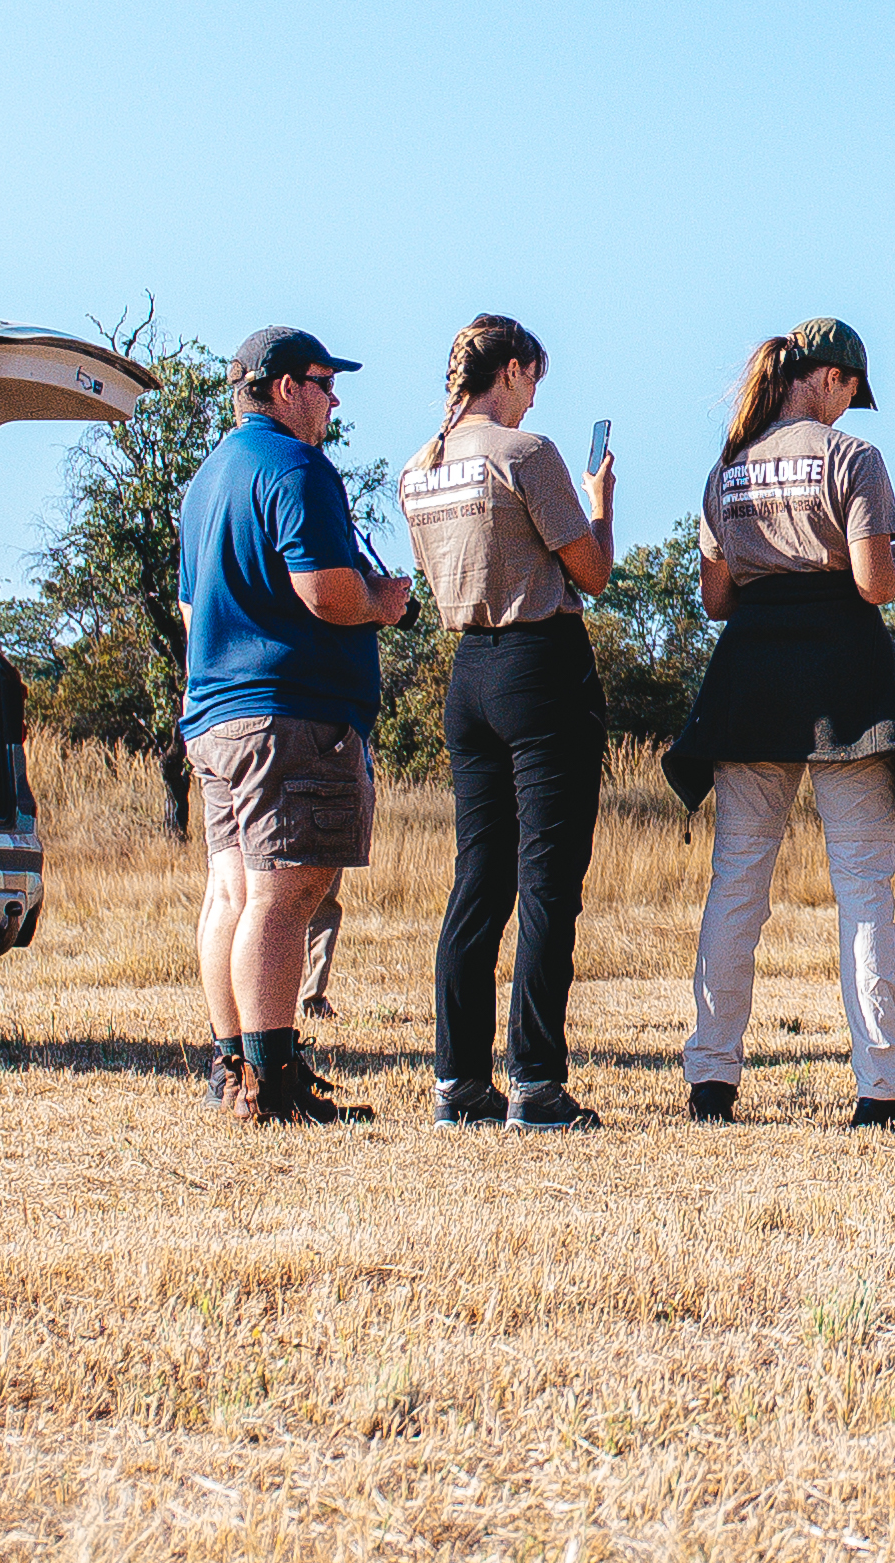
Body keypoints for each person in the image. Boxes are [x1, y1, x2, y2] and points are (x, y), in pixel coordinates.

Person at [668, 319, 895, 1130]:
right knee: (863, 890)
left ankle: (710, 1078)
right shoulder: (851, 460)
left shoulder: (726, 469)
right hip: (844, 682)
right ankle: (884, 1087)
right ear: (827, 377)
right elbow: (875, 584)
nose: (852, 407)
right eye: (852, 390)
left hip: (749, 685)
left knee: (736, 885)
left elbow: (716, 602)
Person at [174, 325, 407, 1124]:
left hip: (214, 714)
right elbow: (326, 592)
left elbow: (188, 606)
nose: (333, 397)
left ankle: (230, 1064)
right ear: (283, 387)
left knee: (233, 891)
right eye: (322, 380)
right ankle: (274, 1079)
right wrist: (384, 601)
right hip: (290, 715)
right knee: (290, 891)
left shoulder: (208, 479)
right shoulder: (298, 468)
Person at [401, 313, 616, 1132]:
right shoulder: (528, 456)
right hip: (540, 664)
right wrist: (600, 507)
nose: (534, 400)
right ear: (515, 371)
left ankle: (458, 1080)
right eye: (535, 380)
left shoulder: (419, 472)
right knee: (547, 882)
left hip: (468, 675)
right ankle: (535, 1080)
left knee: (477, 879)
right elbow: (590, 573)